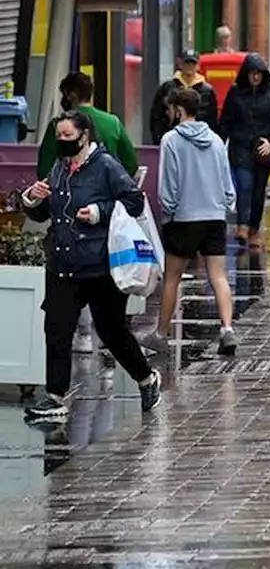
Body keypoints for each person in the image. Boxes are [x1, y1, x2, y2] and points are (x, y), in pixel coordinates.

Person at [20, 112, 162, 422]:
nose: (62, 142)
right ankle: (55, 397)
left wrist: (100, 211)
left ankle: (146, 377)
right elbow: (46, 214)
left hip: (100, 266)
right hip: (62, 264)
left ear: (84, 136)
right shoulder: (59, 167)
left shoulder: (106, 166)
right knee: (57, 330)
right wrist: (31, 198)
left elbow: (134, 201)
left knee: (111, 331)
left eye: (68, 137)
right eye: (59, 136)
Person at [139, 89, 239, 357]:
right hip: (214, 216)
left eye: (171, 110)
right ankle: (227, 329)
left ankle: (160, 334)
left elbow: (168, 183)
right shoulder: (217, 141)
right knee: (218, 275)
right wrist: (226, 205)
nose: (170, 115)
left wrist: (168, 211)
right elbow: (226, 180)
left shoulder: (171, 140)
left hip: (184, 217)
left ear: (179, 111)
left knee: (172, 277)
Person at [217, 53, 270, 249]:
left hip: (264, 149)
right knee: (245, 186)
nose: (255, 77)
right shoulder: (235, 93)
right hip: (240, 147)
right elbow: (225, 122)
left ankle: (254, 229)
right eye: (252, 74)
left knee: (259, 191)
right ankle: (241, 226)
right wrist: (216, 145)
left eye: (259, 73)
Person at [38, 73, 137, 180]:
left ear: (72, 95)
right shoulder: (113, 122)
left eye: (64, 94)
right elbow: (130, 164)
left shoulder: (58, 125)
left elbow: (45, 168)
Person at [148, 49, 218, 144]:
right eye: (186, 63)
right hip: (172, 139)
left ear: (198, 66)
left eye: (193, 64)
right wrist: (158, 139)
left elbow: (212, 119)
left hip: (199, 140)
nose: (189, 67)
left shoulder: (207, 91)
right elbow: (156, 115)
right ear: (180, 64)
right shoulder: (168, 87)